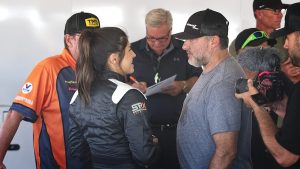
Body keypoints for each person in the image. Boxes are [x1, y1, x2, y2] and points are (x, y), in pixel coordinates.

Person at [0, 12, 100, 169]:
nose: (93, 44)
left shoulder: (99, 69)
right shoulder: (48, 68)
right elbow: (15, 114)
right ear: (69, 39)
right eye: (87, 38)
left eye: (97, 39)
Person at [68, 27, 158, 169]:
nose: (134, 54)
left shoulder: (78, 94)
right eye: (129, 49)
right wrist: (155, 143)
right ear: (114, 59)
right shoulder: (130, 95)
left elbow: (77, 151)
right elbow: (145, 155)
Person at [174, 9, 252, 169]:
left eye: (191, 39)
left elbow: (226, 152)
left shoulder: (222, 82)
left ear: (213, 41)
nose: (184, 46)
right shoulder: (214, 71)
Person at [130, 8, 202, 169]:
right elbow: (116, 83)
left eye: (162, 39)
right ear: (146, 30)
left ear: (171, 31)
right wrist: (132, 88)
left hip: (177, 131)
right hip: (142, 131)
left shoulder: (185, 50)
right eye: (151, 38)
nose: (156, 43)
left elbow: (199, 78)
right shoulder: (131, 51)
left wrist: (183, 85)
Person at [236, 3, 300, 168]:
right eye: (258, 49)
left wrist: (256, 104)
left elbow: (285, 155)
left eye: (267, 47)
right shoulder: (233, 82)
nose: (284, 45)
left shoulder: (281, 79)